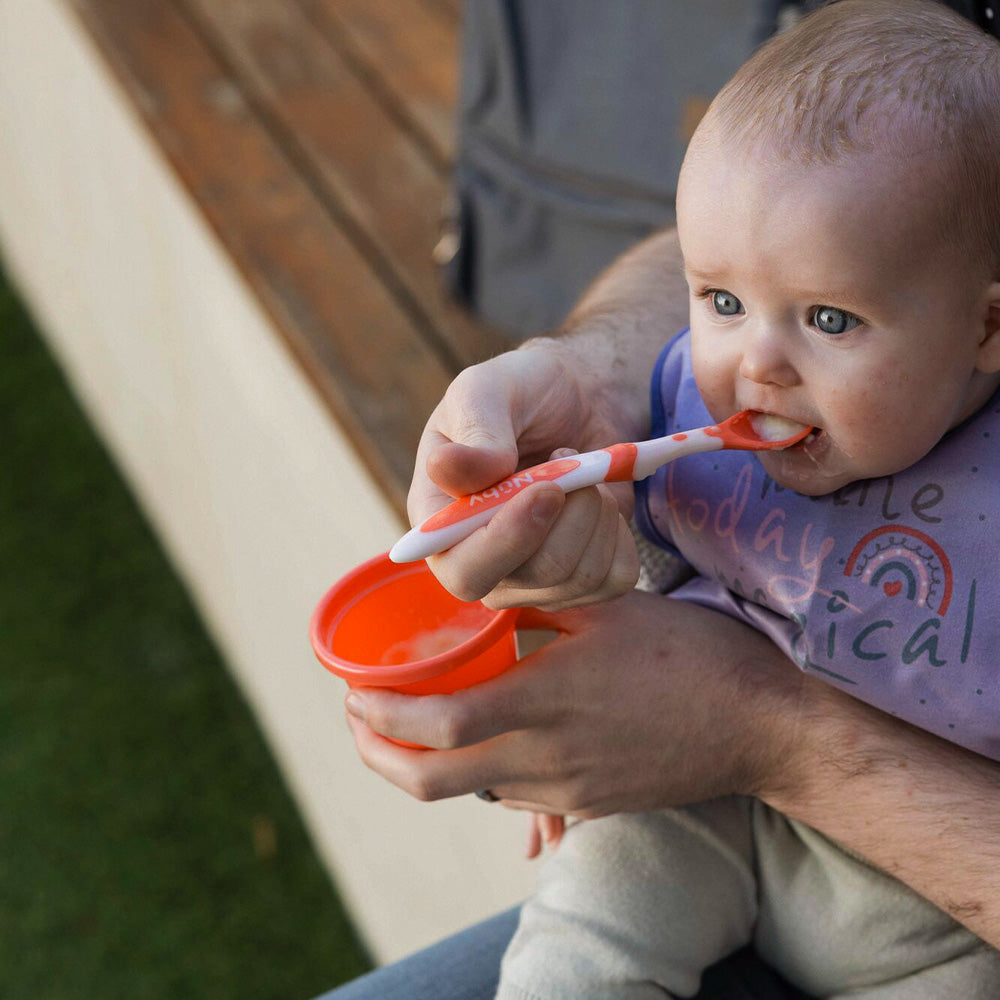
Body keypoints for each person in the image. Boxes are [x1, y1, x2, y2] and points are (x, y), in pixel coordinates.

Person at [326, 3, 1000, 997]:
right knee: (579, 948)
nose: (754, 364)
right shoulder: (692, 398)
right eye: (722, 301)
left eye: (827, 317)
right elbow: (651, 572)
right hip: (698, 811)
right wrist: (560, 625)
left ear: (985, 329)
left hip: (933, 915)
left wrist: (768, 732)